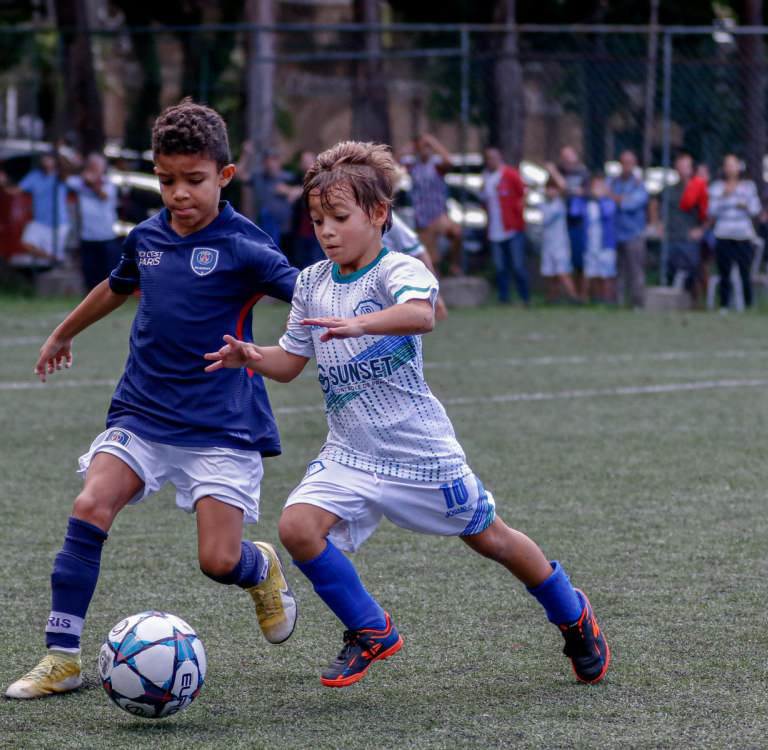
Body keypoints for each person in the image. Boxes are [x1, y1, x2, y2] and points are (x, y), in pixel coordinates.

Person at [203, 140, 609, 688]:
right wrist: (252, 357)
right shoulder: (310, 283)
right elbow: (290, 362)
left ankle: (572, 614)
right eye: (318, 219)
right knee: (296, 528)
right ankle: (370, 629)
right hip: (350, 452)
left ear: (378, 215)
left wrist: (362, 325)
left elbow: (422, 315)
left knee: (494, 540)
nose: (326, 231)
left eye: (339, 218)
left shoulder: (398, 269)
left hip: (420, 451)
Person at [5, 99, 300, 700]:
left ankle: (259, 568)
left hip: (221, 423)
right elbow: (117, 287)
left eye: (194, 181)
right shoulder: (146, 236)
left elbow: (305, 292)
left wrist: (358, 316)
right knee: (91, 505)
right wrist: (63, 331)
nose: (179, 194)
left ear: (224, 175)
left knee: (217, 561)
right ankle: (61, 657)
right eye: (166, 181)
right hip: (142, 412)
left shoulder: (244, 245)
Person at [402, 133, 462, 276]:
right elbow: (394, 162)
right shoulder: (413, 167)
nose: (425, 150)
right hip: (422, 220)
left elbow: (449, 161)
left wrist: (434, 143)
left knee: (456, 233)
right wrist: (411, 147)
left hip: (439, 216)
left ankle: (453, 262)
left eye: (427, 147)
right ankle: (436, 287)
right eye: (422, 147)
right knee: (430, 262)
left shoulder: (436, 167)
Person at [707, 154, 761, 311]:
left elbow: (756, 209)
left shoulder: (749, 187)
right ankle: (724, 305)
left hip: (743, 234)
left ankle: (748, 305)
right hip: (723, 234)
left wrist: (745, 206)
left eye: (734, 165)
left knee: (745, 271)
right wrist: (725, 197)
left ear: (739, 167)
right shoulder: (717, 187)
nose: (731, 168)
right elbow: (711, 210)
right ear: (724, 169)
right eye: (728, 165)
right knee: (724, 272)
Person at [481, 146, 529, 305]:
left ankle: (525, 298)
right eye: (489, 158)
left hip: (512, 228)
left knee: (517, 265)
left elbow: (524, 194)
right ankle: (504, 298)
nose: (492, 161)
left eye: (494, 157)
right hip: (495, 229)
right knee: (500, 267)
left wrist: (519, 213)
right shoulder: (486, 177)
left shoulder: (510, 174)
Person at [66, 153, 121, 290]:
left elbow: (103, 196)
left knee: (110, 274)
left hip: (107, 236)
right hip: (88, 236)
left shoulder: (109, 182)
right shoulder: (80, 182)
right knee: (91, 275)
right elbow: (65, 179)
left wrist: (92, 183)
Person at [660, 151, 708, 304]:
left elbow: (709, 212)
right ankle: (673, 303)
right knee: (671, 270)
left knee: (693, 272)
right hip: (672, 236)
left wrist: (702, 229)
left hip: (689, 238)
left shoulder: (699, 187)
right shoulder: (670, 190)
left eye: (686, 166)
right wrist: (658, 223)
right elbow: (656, 204)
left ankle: (696, 302)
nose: (683, 170)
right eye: (680, 166)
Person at [237, 141, 296, 256]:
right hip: (264, 228)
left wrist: (290, 191)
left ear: (278, 162)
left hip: (285, 230)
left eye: (273, 160)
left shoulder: (288, 177)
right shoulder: (259, 177)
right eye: (267, 161)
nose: (270, 164)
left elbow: (305, 188)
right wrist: (246, 155)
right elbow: (239, 175)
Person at [608, 150, 649, 308]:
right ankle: (618, 303)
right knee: (618, 271)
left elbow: (632, 204)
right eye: (623, 162)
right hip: (617, 233)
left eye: (629, 162)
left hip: (634, 234)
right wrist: (622, 198)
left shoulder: (639, 184)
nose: (626, 166)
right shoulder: (613, 182)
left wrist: (615, 198)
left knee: (636, 271)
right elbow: (603, 195)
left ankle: (637, 303)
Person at [17, 151, 71, 268]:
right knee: (27, 243)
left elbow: (69, 170)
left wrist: (60, 152)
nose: (46, 161)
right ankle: (53, 259)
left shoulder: (60, 176)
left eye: (50, 158)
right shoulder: (35, 176)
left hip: (58, 223)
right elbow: (17, 190)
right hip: (40, 222)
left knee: (55, 256)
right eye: (44, 158)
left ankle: (56, 262)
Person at [538, 167, 581, 305]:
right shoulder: (543, 204)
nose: (550, 192)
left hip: (560, 245)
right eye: (548, 189)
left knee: (563, 273)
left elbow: (564, 188)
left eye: (553, 189)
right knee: (550, 274)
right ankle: (552, 299)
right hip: (547, 244)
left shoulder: (559, 204)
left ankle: (574, 297)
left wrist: (553, 171)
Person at [556, 145, 591, 293]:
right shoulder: (557, 173)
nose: (567, 160)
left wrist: (581, 192)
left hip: (578, 222)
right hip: (559, 221)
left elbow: (590, 191)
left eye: (569, 156)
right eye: (564, 157)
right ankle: (563, 295)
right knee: (559, 260)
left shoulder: (583, 173)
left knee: (579, 260)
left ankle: (580, 294)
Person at [581, 174, 618, 304]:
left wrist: (602, 198)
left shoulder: (609, 203)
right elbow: (575, 211)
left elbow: (606, 213)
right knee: (591, 273)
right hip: (591, 245)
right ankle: (593, 299)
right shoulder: (587, 204)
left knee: (606, 274)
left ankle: (607, 299)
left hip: (605, 245)